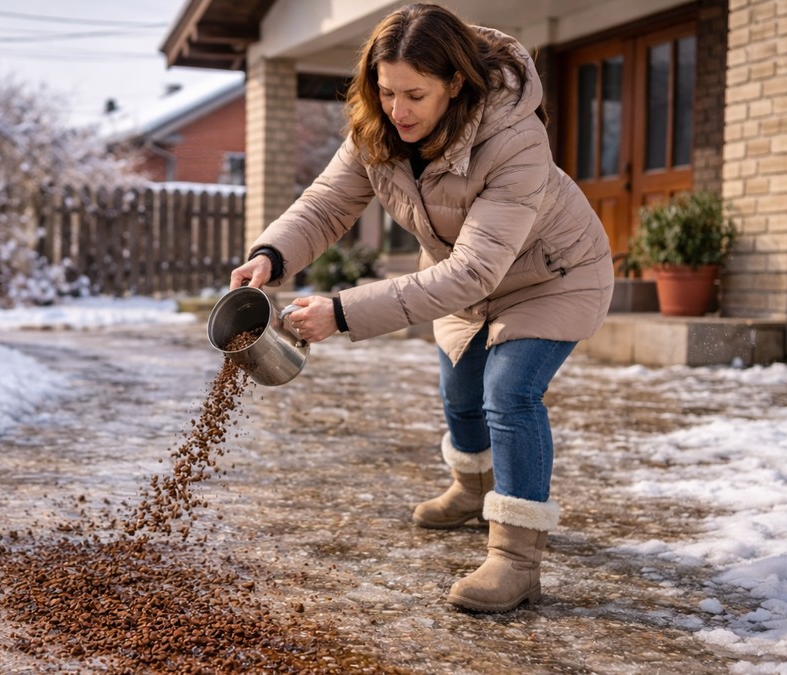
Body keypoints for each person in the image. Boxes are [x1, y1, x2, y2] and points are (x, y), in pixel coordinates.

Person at [230, 3, 613, 613]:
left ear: (454, 84)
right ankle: (471, 487)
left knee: (508, 393)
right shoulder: (377, 130)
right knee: (460, 397)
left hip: (552, 277)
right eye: (386, 92)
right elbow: (328, 203)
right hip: (464, 280)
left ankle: (515, 560)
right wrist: (271, 256)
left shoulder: (515, 138)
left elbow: (474, 269)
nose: (398, 110)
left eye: (415, 94)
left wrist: (344, 311)